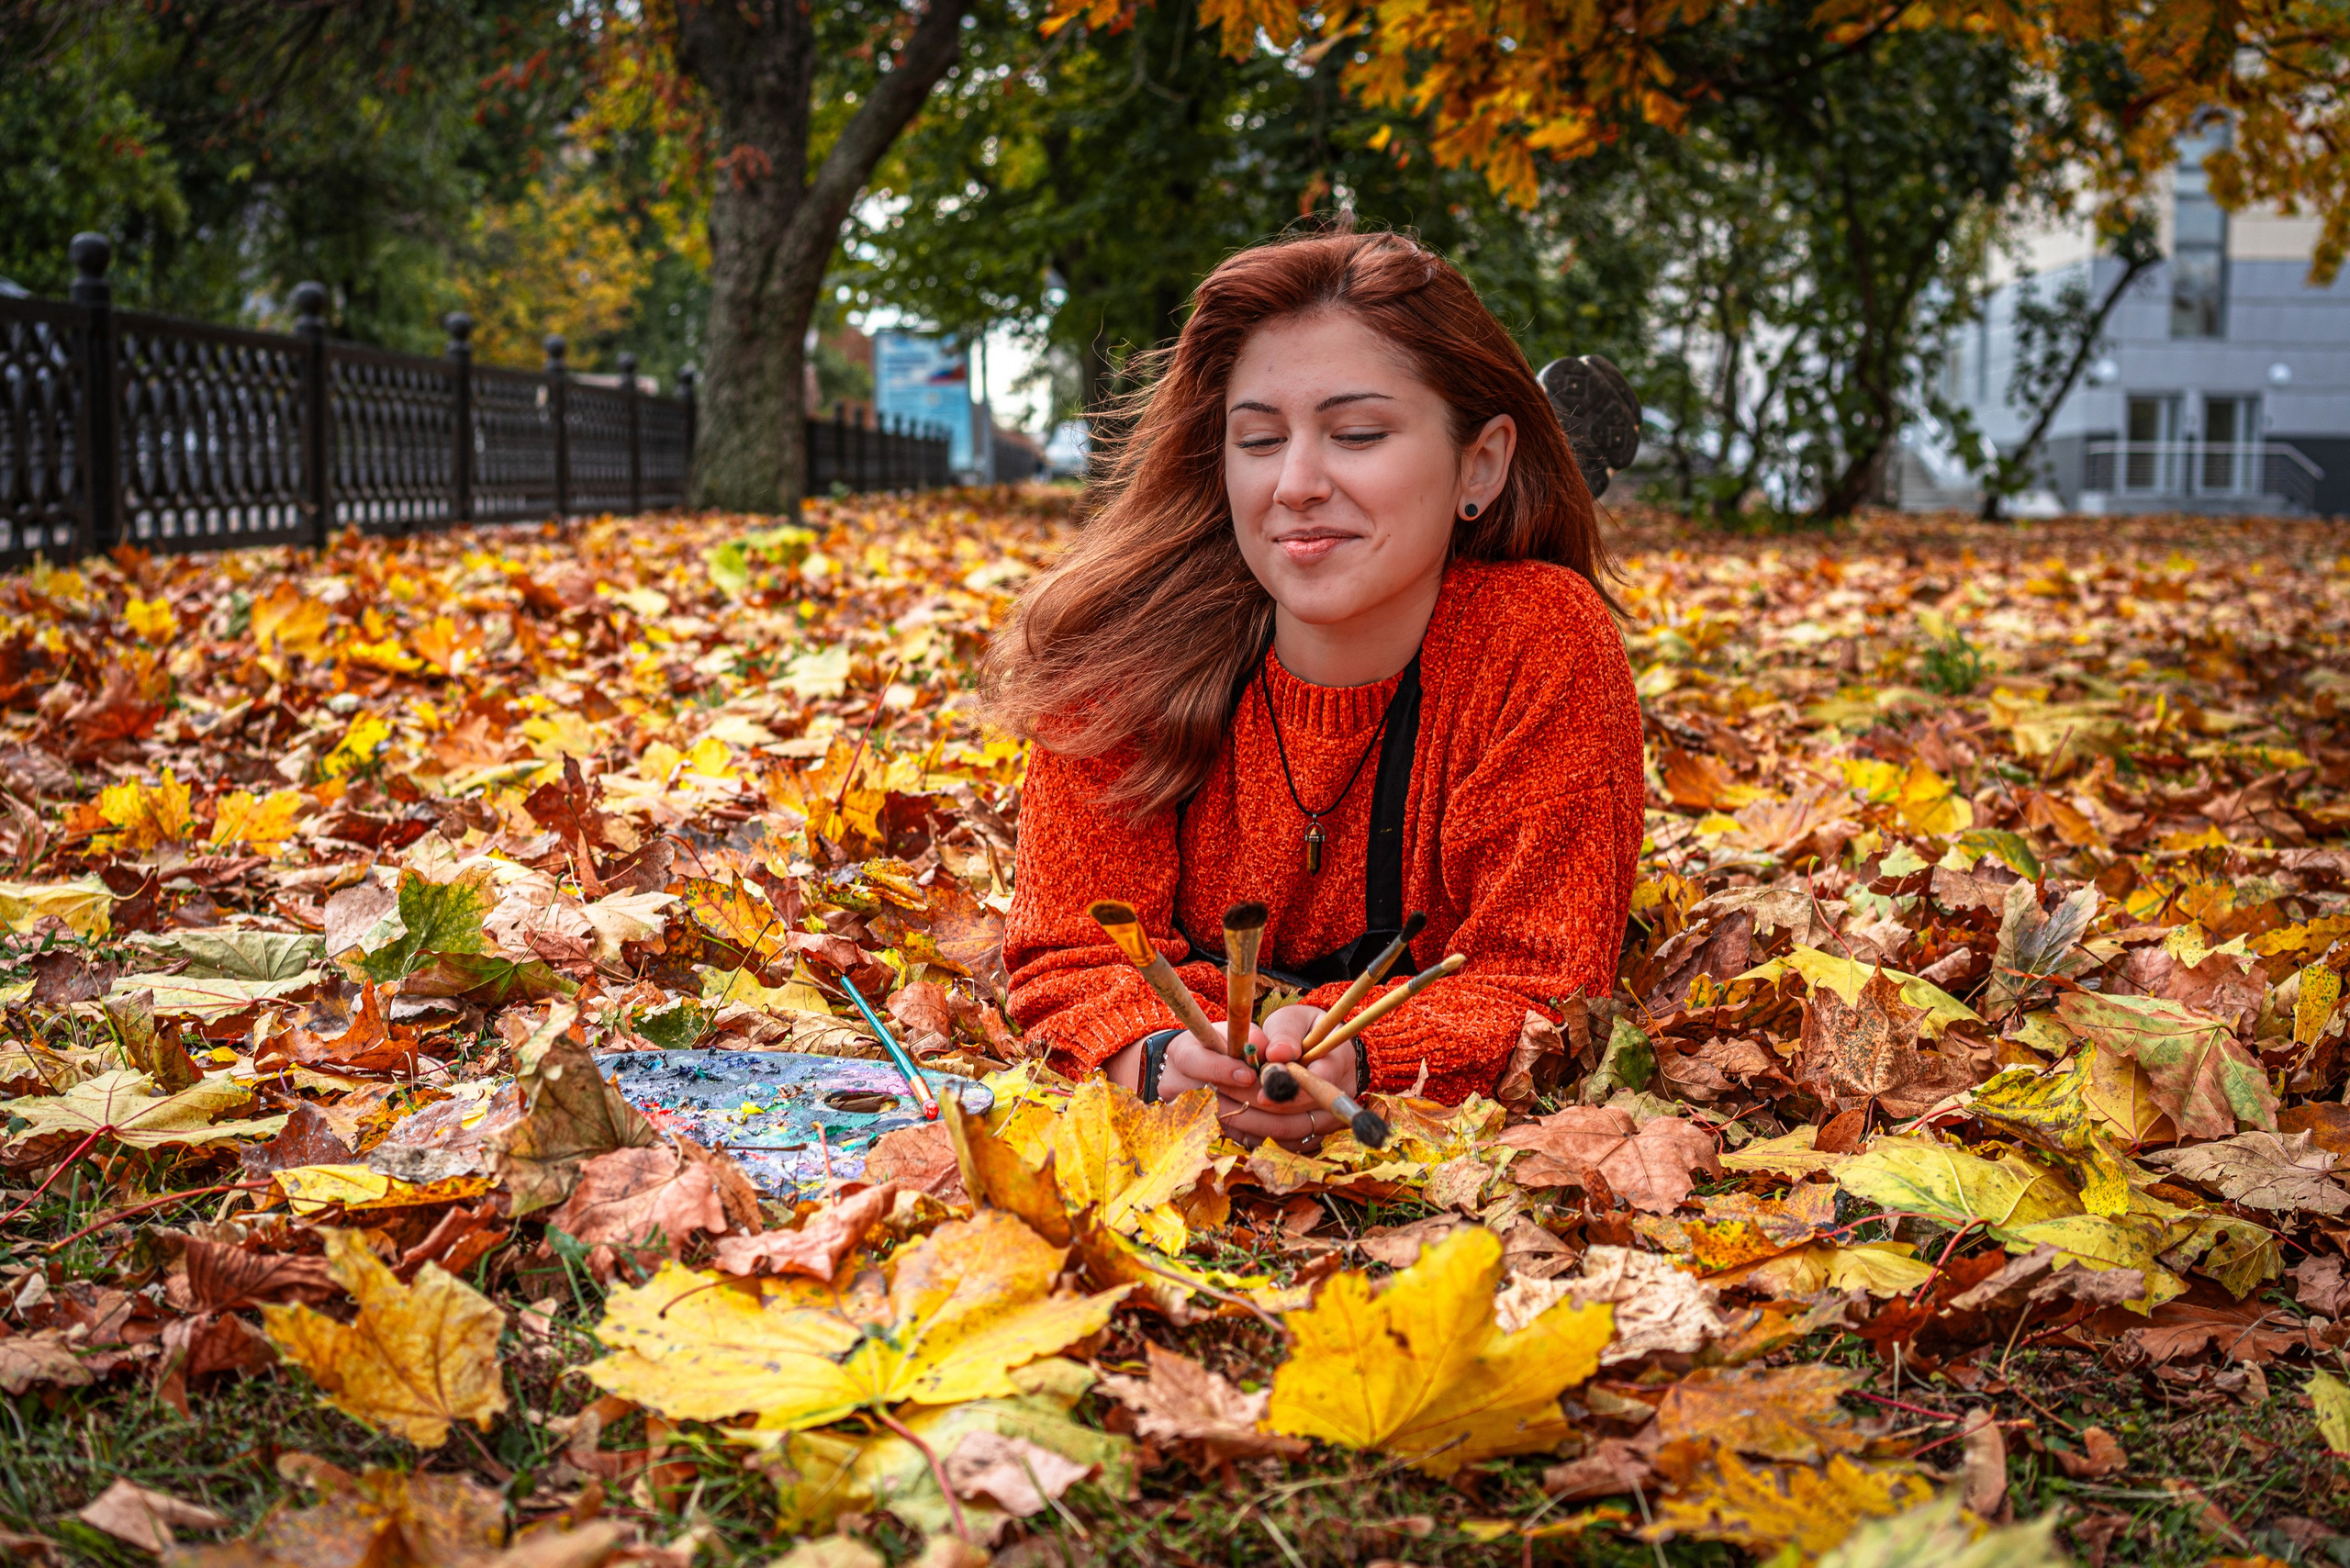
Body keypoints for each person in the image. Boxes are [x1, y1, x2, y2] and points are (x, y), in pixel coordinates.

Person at [986, 229, 1643, 1143]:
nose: (1293, 484)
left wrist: (1364, 1056)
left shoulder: (1537, 640)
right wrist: (1165, 1058)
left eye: (1358, 434)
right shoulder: (1117, 654)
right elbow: (1073, 952)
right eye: (1258, 439)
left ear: (1481, 464)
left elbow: (1542, 979)